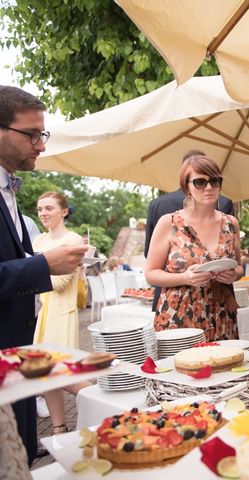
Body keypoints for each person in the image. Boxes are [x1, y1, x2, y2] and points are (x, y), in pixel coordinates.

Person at [0, 85, 86, 465]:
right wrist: (43, 266)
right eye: (32, 134)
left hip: (18, 358)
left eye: (43, 134)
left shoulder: (11, 190)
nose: (41, 145)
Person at [145, 154, 243, 342]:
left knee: (225, 367)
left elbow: (238, 266)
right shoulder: (169, 222)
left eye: (215, 181)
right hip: (180, 315)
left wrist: (234, 275)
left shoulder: (231, 223)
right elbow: (150, 273)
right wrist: (185, 278)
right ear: (186, 185)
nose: (209, 187)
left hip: (221, 314)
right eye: (200, 182)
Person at [32, 191, 91, 435]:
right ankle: (59, 427)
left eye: (49, 208)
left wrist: (33, 272)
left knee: (64, 375)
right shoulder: (39, 242)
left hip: (62, 314)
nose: (43, 213)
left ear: (64, 211)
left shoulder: (73, 239)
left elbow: (60, 283)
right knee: (44, 375)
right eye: (40, 209)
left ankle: (105, 407)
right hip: (43, 314)